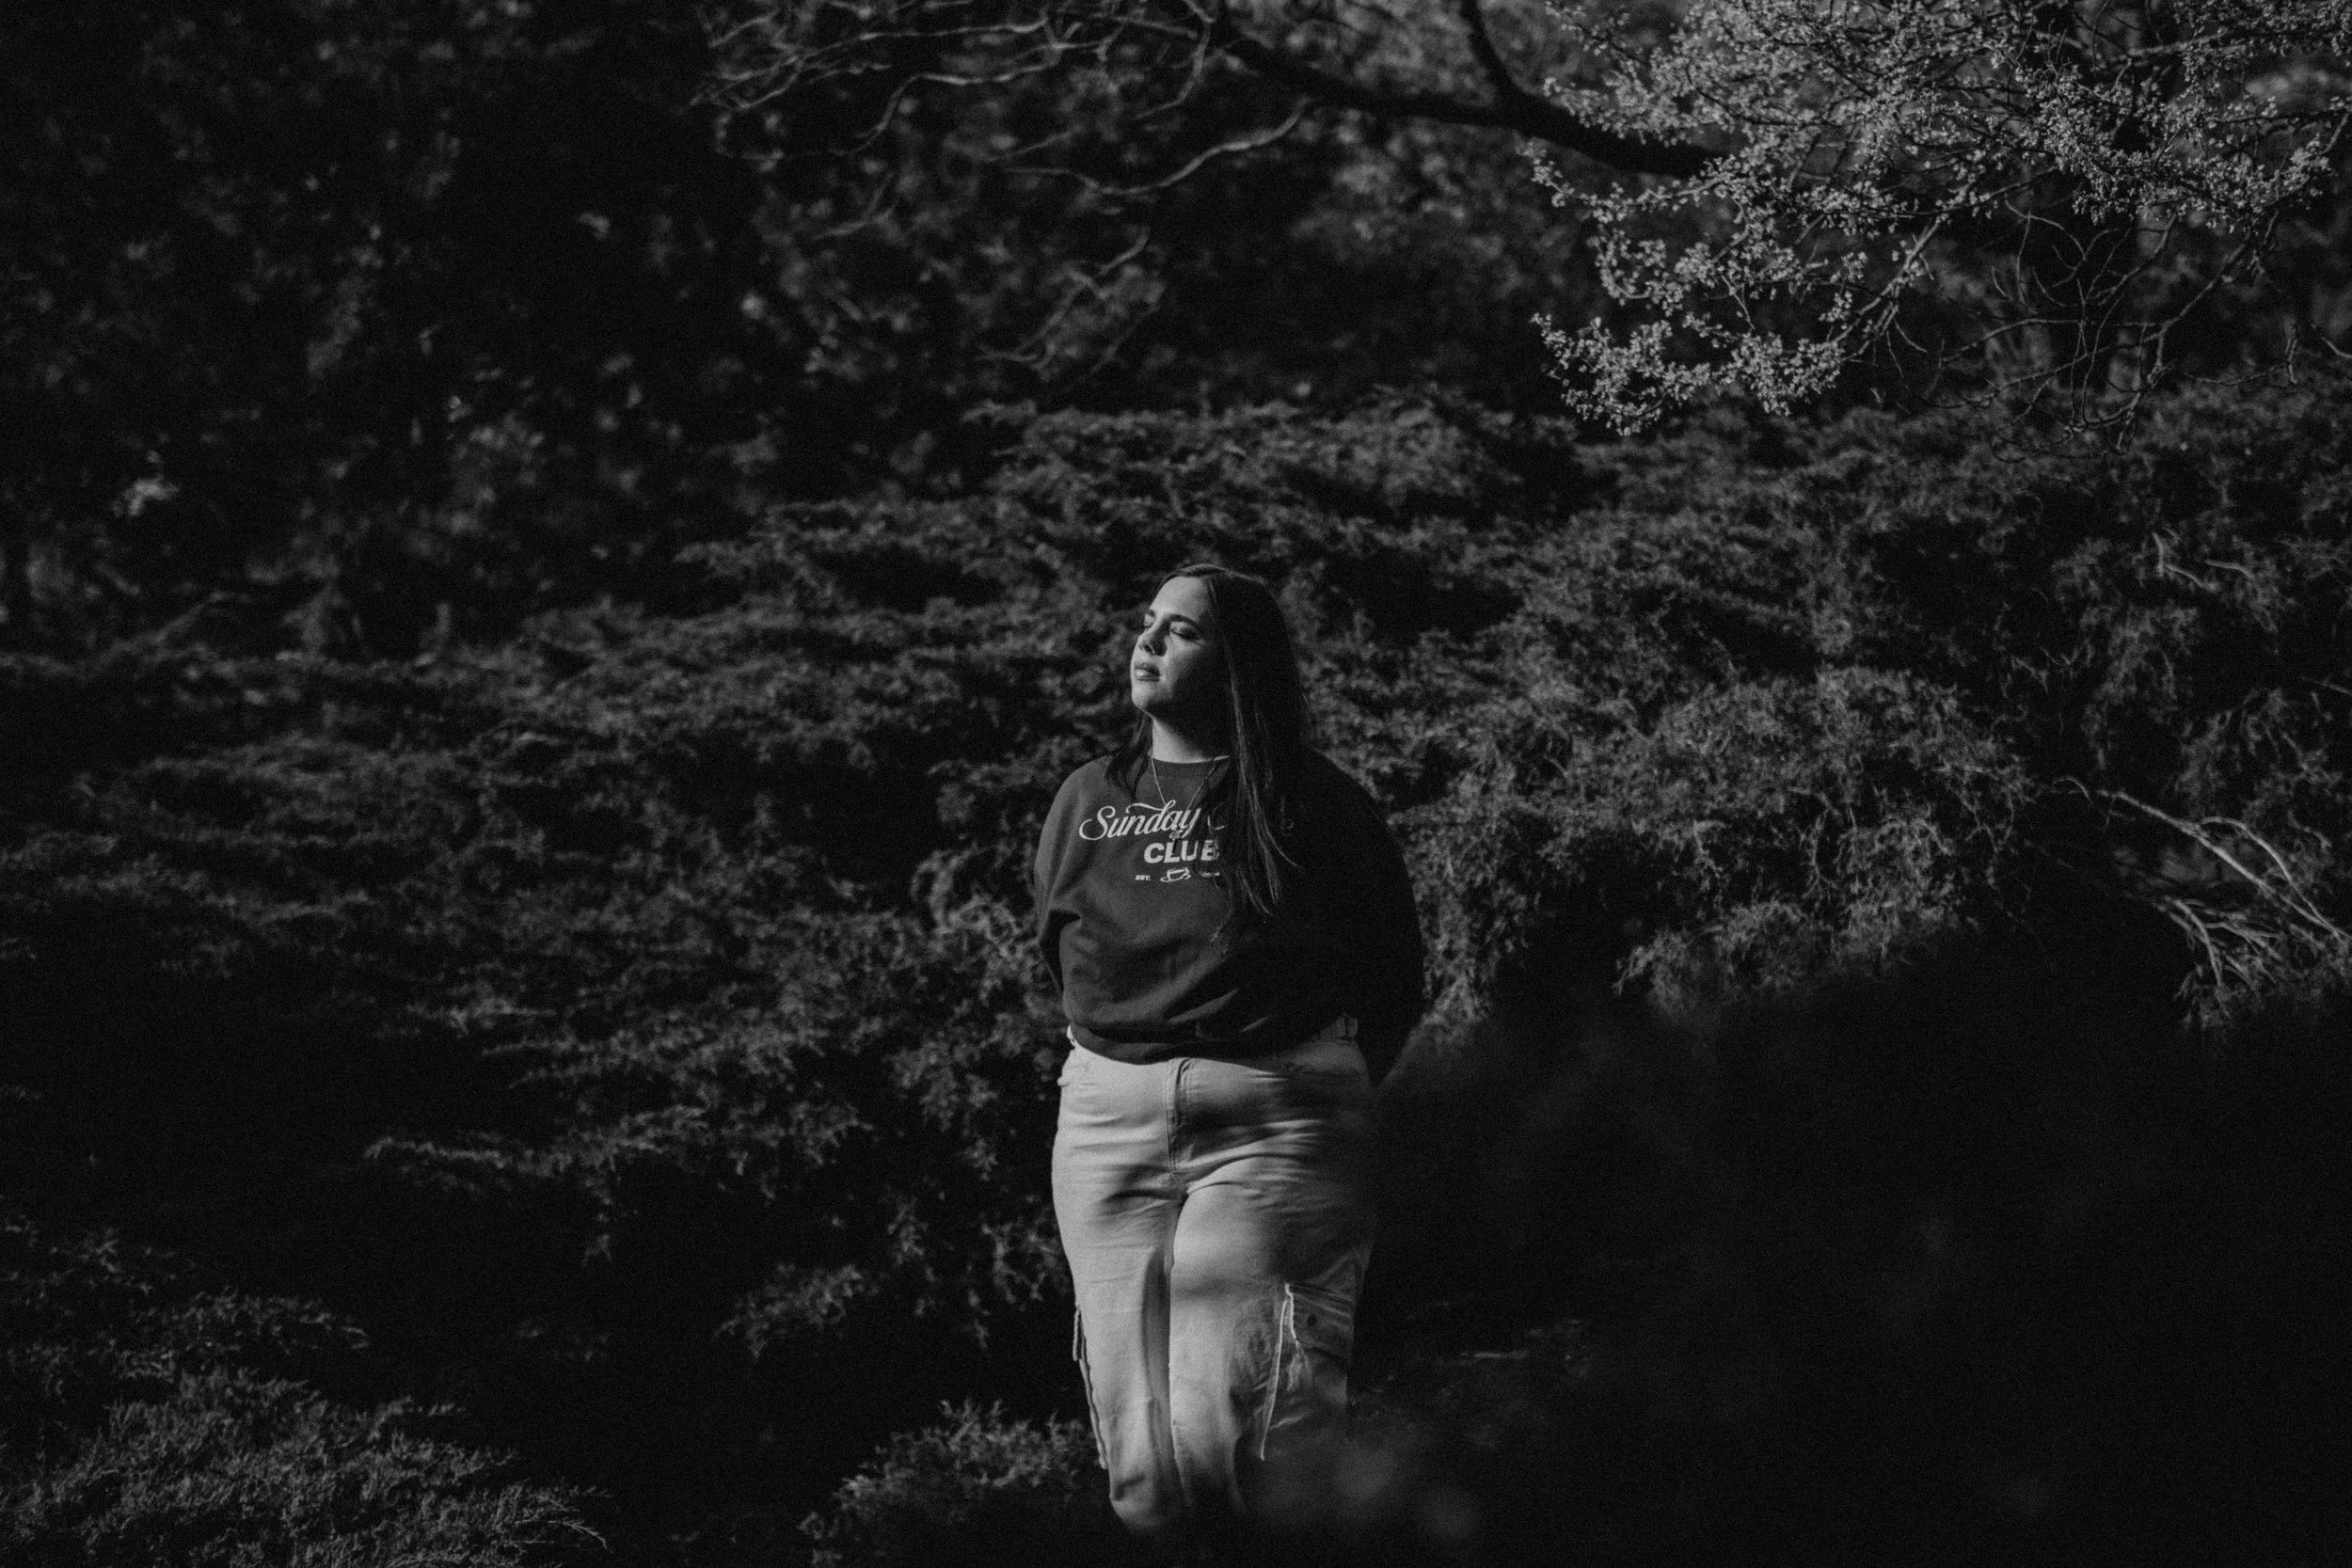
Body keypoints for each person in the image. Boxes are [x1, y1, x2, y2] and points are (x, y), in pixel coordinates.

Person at [1032, 562, 1425, 1557]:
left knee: (1241, 1421)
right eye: (1147, 620)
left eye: (1183, 630)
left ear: (1241, 662)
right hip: (1107, 1122)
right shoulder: (1087, 797)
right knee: (1140, 1462)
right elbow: (1061, 953)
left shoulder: (1316, 803)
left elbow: (1391, 978)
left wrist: (1308, 1097)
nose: (1150, 641)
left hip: (1274, 1116)